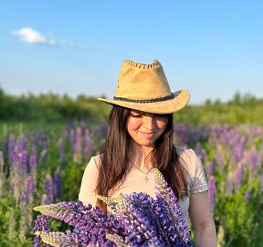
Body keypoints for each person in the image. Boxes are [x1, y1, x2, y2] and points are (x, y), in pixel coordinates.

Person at [79, 59, 217, 246]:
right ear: (121, 115)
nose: (150, 125)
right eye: (137, 114)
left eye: (159, 114)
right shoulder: (98, 167)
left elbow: (203, 226)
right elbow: (88, 234)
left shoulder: (186, 160)